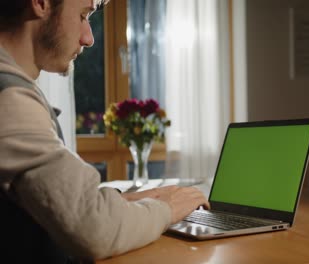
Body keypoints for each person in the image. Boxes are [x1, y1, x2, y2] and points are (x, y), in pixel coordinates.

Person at [0, 0, 209, 262]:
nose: (88, 39)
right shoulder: (10, 99)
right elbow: (95, 229)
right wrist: (169, 208)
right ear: (41, 3)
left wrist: (131, 201)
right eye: (83, 15)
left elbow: (51, 204)